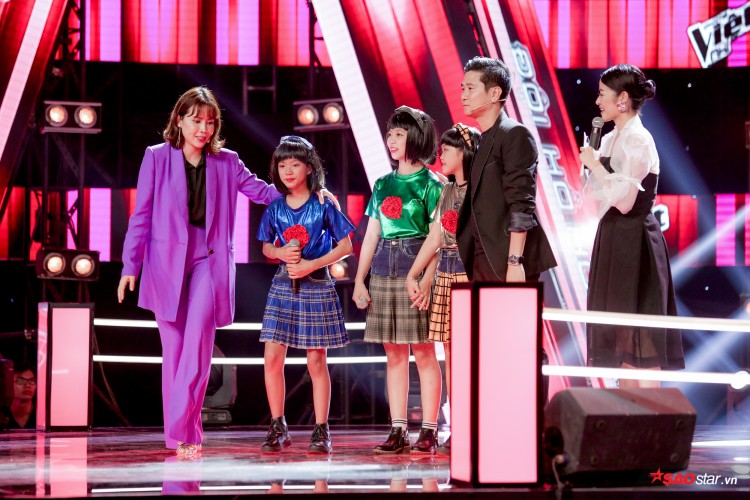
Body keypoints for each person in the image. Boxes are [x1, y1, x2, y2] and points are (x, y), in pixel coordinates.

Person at [117, 87, 334, 457]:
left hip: (208, 261)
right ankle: (181, 433)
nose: (203, 128)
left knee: (198, 346)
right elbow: (141, 215)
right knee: (174, 351)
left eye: (210, 121)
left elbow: (264, 193)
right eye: (196, 120)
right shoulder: (156, 157)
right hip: (164, 265)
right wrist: (129, 265)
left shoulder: (227, 161)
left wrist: (310, 194)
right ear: (179, 120)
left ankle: (184, 431)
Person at [578, 64, 684, 385]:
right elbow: (596, 197)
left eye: (602, 94)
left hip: (636, 238)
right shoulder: (611, 138)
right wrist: (591, 165)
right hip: (612, 235)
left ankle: (650, 411)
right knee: (621, 335)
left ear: (622, 99)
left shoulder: (638, 139)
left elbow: (625, 201)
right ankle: (624, 409)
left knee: (642, 332)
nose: (598, 101)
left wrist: (596, 166)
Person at [353, 106, 444, 455]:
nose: (391, 140)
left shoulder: (432, 184)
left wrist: (426, 279)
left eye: (399, 134)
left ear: (416, 137)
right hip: (382, 268)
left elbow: (437, 239)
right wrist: (360, 280)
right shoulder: (382, 183)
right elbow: (371, 235)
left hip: (414, 269)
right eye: (390, 134)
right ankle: (398, 429)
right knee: (393, 353)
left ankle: (430, 430)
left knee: (423, 351)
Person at [256, 136, 355, 454]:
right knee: (272, 357)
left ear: (309, 168)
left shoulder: (323, 203)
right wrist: (280, 252)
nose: (288, 171)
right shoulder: (275, 207)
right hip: (283, 285)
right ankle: (278, 426)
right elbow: (266, 246)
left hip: (317, 284)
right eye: (282, 165)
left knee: (316, 360)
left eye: (295, 164)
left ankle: (321, 429)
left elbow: (346, 245)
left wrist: (311, 264)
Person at [405, 123, 480, 455]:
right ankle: (459, 428)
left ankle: (477, 426)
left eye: (447, 150)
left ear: (464, 152)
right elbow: (436, 235)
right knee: (451, 356)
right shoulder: (448, 190)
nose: (441, 155)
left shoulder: (479, 189)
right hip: (447, 274)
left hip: (471, 273)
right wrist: (414, 273)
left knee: (470, 356)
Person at [7, 362, 36, 429]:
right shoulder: (3, 415)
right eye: (20, 380)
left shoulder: (42, 416)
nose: (28, 385)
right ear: (9, 383)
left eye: (32, 381)